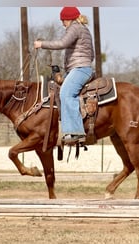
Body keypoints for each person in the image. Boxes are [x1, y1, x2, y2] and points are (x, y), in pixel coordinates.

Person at [34, 7, 95, 144]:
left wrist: (41, 44)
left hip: (80, 68)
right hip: (80, 67)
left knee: (66, 94)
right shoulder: (84, 29)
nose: (62, 24)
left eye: (63, 20)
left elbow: (62, 43)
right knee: (58, 91)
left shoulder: (75, 27)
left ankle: (75, 132)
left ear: (68, 19)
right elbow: (91, 55)